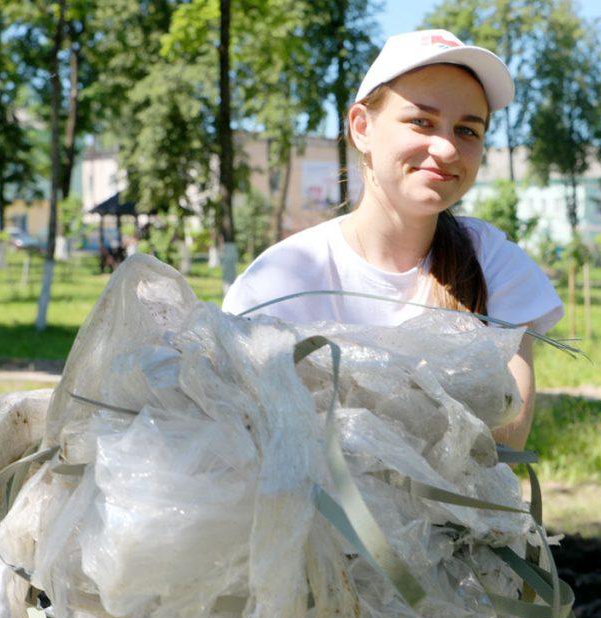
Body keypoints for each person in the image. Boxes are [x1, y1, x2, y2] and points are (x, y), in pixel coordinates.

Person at [222, 29, 563, 450]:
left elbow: (506, 437)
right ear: (362, 127)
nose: (447, 149)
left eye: (467, 131)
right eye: (422, 121)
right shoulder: (283, 279)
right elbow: (246, 437)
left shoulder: (494, 263)